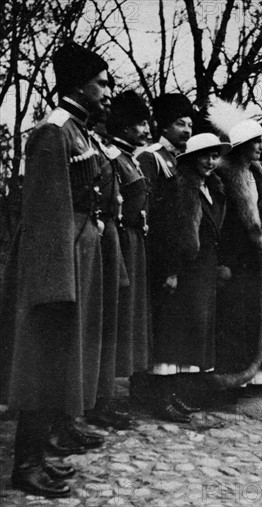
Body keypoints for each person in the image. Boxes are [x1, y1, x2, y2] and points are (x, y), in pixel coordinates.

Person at [0, 41, 110, 498]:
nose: (107, 92)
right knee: (40, 361)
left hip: (75, 255)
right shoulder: (54, 132)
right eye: (101, 84)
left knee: (59, 361)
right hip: (55, 262)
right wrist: (55, 283)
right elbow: (46, 212)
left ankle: (40, 456)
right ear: (78, 85)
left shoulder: (80, 131)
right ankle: (25, 465)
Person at [151, 133, 229, 410]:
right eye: (206, 156)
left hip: (204, 268)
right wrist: (171, 271)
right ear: (192, 158)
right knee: (173, 331)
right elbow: (169, 233)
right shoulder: (178, 187)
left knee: (193, 329)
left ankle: (179, 394)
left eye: (215, 156)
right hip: (183, 268)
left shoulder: (213, 188)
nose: (211, 161)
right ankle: (162, 397)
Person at [207, 101, 262, 394]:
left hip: (252, 257)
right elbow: (221, 222)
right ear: (241, 145)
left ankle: (248, 374)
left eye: (261, 141)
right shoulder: (224, 172)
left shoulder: (257, 173)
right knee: (230, 317)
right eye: (255, 141)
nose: (261, 146)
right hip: (233, 256)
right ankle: (226, 378)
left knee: (248, 316)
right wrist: (225, 261)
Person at [136, 93, 194, 422]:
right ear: (163, 126)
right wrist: (166, 266)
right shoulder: (152, 158)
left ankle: (167, 392)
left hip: (177, 256)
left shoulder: (180, 160)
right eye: (178, 123)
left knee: (172, 327)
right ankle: (152, 394)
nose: (185, 130)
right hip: (158, 256)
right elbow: (153, 217)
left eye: (188, 124)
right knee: (158, 326)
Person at [100, 90, 152, 427]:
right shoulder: (113, 156)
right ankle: (99, 400)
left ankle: (105, 397)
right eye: (141, 124)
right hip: (117, 241)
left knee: (126, 323)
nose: (147, 130)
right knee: (111, 322)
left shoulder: (131, 157)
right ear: (125, 126)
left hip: (134, 244)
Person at [85, 84, 133, 431]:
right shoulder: (73, 137)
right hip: (96, 238)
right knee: (93, 327)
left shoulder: (103, 147)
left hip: (107, 238)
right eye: (101, 85)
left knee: (106, 326)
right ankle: (87, 404)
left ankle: (100, 400)